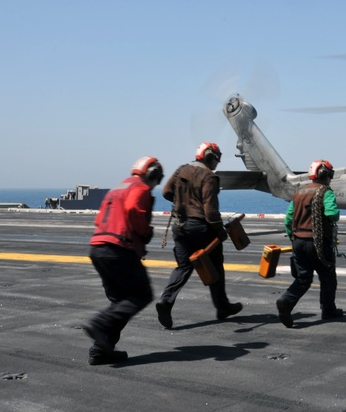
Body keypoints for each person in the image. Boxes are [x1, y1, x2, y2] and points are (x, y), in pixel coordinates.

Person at [83, 156, 164, 365]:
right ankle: (99, 326)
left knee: (120, 303)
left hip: (98, 248)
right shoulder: (141, 188)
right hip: (117, 249)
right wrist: (145, 233)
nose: (156, 185)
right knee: (141, 294)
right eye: (158, 178)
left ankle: (101, 350)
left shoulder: (118, 188)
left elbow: (99, 219)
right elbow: (134, 210)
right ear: (152, 174)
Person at [155, 141, 242, 328]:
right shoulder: (209, 176)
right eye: (216, 160)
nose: (217, 164)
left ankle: (166, 300)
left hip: (179, 226)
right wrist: (219, 230)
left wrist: (181, 202)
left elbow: (166, 192)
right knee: (216, 265)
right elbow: (210, 210)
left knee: (183, 267)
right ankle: (222, 307)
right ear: (210, 157)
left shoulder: (181, 170)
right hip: (201, 227)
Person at [275, 159, 344, 327]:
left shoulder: (298, 193)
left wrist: (293, 237)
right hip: (318, 244)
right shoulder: (325, 192)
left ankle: (286, 301)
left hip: (298, 242)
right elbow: (332, 214)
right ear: (325, 175)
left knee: (303, 279)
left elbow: (288, 219)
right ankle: (328, 310)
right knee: (328, 278)